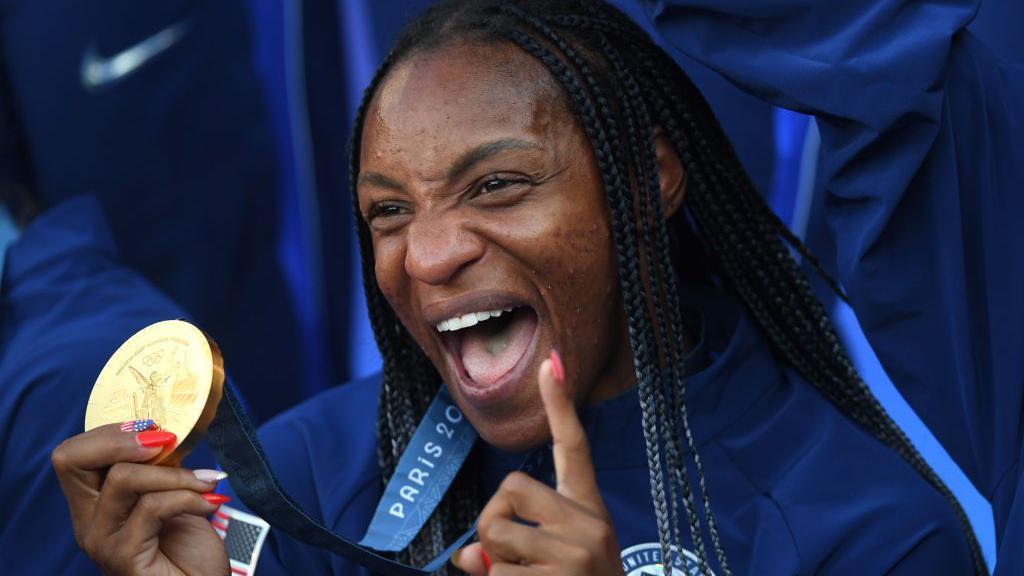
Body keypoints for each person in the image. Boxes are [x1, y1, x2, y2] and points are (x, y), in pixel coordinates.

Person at [51, 0, 1014, 574]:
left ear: (649, 179)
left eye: (496, 186)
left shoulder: (870, 531)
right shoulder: (305, 479)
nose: (426, 257)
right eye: (388, 212)